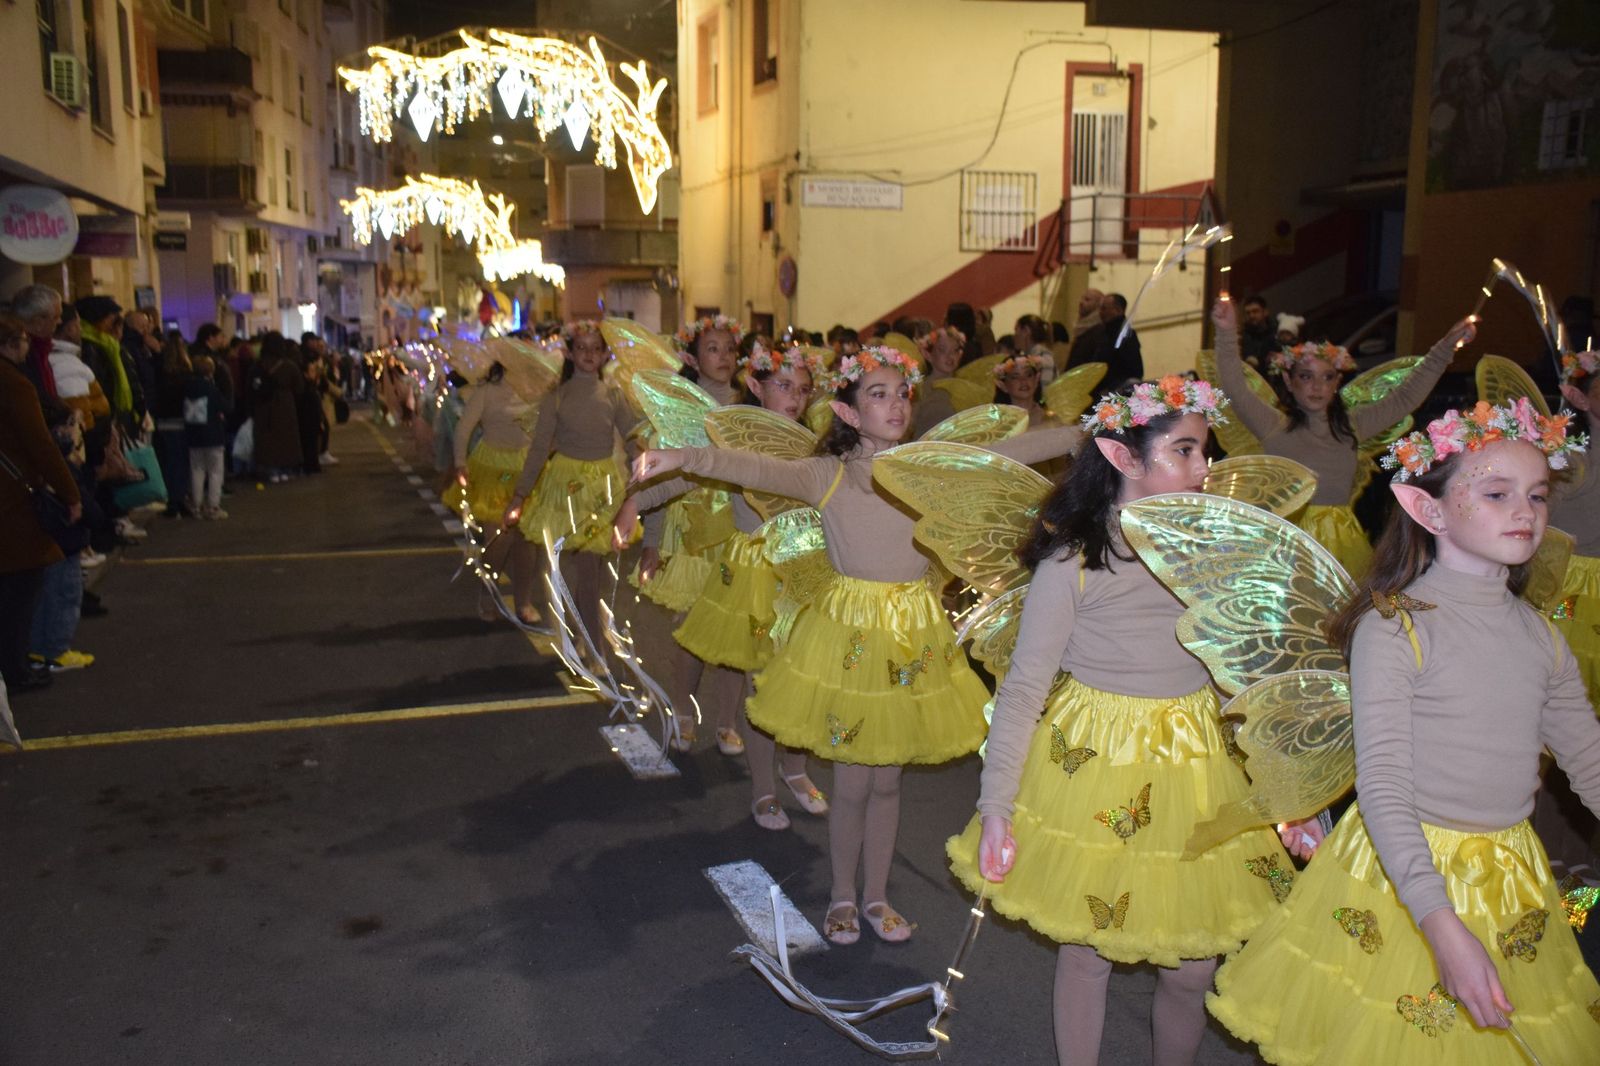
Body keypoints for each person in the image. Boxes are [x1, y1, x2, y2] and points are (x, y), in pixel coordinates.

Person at [630, 346, 1080, 944]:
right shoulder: (829, 474)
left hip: (912, 639)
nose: (895, 404)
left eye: (901, 392)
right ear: (846, 410)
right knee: (852, 779)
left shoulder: (929, 467)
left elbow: (999, 455)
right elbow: (749, 468)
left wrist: (1085, 434)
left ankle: (876, 898)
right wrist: (676, 457)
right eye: (878, 393)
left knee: (888, 780)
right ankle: (842, 895)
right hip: (848, 638)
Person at [1208, 399, 1600, 1064]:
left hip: (1509, 879)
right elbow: (1385, 787)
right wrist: (1441, 926)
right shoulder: (1396, 629)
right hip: (1402, 877)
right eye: (1498, 493)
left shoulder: (1540, 636)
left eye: (1536, 494)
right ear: (1429, 509)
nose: (1526, 511)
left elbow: (1589, 761)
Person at [946, 376, 1291, 1066]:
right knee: (1089, 949)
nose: (1205, 467)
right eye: (1186, 451)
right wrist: (997, 807)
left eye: (1206, 451)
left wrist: (1288, 785)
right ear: (1125, 457)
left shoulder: (1213, 553)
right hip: (1097, 757)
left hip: (1193, 760)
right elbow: (1021, 692)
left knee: (1192, 966)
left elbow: (1249, 674)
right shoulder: (1074, 560)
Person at [616, 344, 831, 828]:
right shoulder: (739, 440)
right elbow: (689, 475)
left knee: (800, 681)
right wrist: (637, 501)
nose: (794, 398)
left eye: (801, 389)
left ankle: (795, 768)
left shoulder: (816, 443)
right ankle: (764, 788)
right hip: (754, 573)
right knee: (760, 684)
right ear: (755, 386)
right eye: (782, 386)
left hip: (803, 573)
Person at [1212, 296, 1475, 577]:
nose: (1317, 386)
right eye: (1305, 376)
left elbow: (1406, 397)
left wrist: (1446, 347)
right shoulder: (1273, 425)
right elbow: (1235, 387)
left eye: (1327, 377)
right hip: (1286, 546)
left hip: (1342, 546)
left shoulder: (1351, 426)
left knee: (1345, 619)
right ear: (1289, 381)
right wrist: (1226, 331)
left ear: (1338, 382)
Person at [626, 315, 748, 752]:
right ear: (692, 357)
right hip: (690, 526)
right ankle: (682, 706)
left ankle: (728, 721)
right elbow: (659, 479)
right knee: (692, 629)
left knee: (735, 632)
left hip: (736, 530)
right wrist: (652, 541)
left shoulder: (747, 406)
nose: (723, 357)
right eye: (713, 349)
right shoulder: (677, 407)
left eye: (729, 349)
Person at [503, 321, 635, 650]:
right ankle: (590, 642)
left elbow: (634, 440)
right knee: (577, 572)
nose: (589, 354)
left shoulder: (614, 396)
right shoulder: (557, 398)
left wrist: (641, 478)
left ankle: (586, 637)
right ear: (570, 353)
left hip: (602, 488)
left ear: (605, 355)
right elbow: (537, 450)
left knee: (591, 572)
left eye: (596, 348)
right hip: (564, 490)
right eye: (582, 348)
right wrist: (520, 494)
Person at [0, 311, 82, 694]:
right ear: (10, 345)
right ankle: (15, 670)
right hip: (14, 503)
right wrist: (70, 492)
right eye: (22, 341)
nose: (28, 346)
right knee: (20, 591)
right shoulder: (15, 385)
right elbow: (41, 446)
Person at [450, 360, 538, 624]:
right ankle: (488, 596)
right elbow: (464, 428)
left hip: (527, 468)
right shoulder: (487, 391)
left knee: (527, 541)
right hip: (493, 469)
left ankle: (524, 601)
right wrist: (459, 462)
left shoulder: (536, 390)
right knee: (497, 541)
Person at [183, 355, 231, 519]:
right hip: (213, 436)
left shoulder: (187, 388)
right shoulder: (211, 389)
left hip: (193, 436)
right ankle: (213, 507)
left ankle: (196, 506)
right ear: (210, 371)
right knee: (215, 472)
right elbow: (226, 406)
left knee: (196, 471)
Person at [252, 333, 305, 482]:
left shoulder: (258, 365)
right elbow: (299, 387)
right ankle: (285, 469)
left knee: (267, 439)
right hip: (285, 406)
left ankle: (270, 469)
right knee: (286, 437)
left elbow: (250, 388)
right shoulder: (289, 365)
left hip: (263, 406)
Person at [910, 326, 965, 438]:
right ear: (928, 354)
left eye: (954, 350)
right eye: (942, 350)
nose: (949, 356)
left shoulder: (965, 388)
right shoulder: (919, 389)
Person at [1238, 295, 1278, 369]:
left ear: (1265, 312)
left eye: (1255, 311)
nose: (1251, 316)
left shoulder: (1277, 332)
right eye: (1248, 313)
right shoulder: (1244, 335)